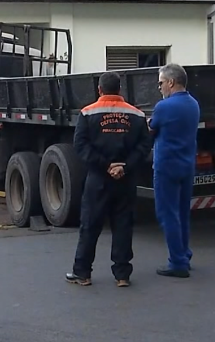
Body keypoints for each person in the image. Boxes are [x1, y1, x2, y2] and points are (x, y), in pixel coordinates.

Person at [65, 72, 151, 287]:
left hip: (98, 179)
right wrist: (125, 166)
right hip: (126, 178)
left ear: (100, 90)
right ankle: (122, 275)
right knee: (123, 225)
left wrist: (105, 165)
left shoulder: (87, 113)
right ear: (120, 90)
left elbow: (81, 146)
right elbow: (144, 146)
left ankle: (82, 273)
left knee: (90, 225)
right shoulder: (137, 115)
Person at [148, 64, 200, 278]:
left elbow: (151, 129)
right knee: (182, 213)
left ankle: (177, 262)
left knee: (167, 214)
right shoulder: (193, 104)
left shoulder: (164, 107)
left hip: (166, 166)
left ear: (171, 82)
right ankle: (184, 254)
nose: (159, 87)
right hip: (186, 165)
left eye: (161, 83)